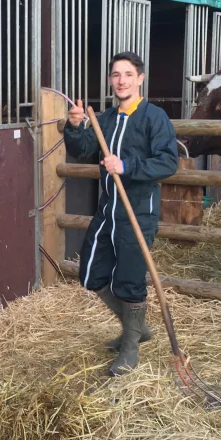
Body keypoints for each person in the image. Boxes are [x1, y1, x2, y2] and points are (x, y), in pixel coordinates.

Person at [64, 51, 178, 375]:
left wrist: (125, 165)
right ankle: (136, 328)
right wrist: (74, 127)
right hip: (108, 210)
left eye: (128, 74)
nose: (121, 80)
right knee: (90, 272)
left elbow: (168, 162)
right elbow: (83, 148)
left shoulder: (154, 117)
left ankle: (130, 348)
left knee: (129, 282)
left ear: (140, 78)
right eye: (116, 75)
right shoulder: (107, 119)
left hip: (138, 212)